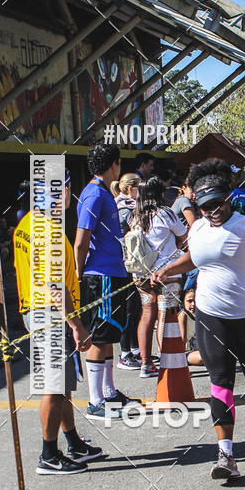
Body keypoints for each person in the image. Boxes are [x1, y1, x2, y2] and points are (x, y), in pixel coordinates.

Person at [153, 158, 245, 479]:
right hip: (211, 316)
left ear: (228, 198)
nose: (212, 211)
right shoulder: (198, 228)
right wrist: (167, 270)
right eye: (205, 207)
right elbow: (195, 257)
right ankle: (226, 455)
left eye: (217, 204)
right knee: (220, 381)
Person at [13, 170, 102, 474]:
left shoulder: (28, 224)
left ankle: (73, 442)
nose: (69, 195)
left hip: (39, 311)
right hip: (50, 314)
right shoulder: (47, 231)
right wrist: (77, 326)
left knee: (62, 385)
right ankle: (48, 455)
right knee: (54, 386)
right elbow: (55, 287)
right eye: (67, 188)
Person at [74, 143, 135, 422]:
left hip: (111, 272)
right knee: (99, 335)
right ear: (114, 164)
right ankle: (95, 400)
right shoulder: (94, 194)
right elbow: (81, 239)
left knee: (109, 333)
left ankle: (108, 392)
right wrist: (79, 273)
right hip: (101, 275)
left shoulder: (101, 192)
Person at [132, 177, 187, 377]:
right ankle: (168, 363)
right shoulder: (165, 213)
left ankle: (146, 363)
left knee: (147, 314)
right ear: (160, 193)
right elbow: (185, 237)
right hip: (167, 273)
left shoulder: (135, 217)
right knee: (166, 315)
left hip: (141, 274)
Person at [115, 173, 142, 371]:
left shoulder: (130, 206)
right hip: (126, 264)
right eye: (139, 187)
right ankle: (125, 353)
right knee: (129, 309)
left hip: (131, 263)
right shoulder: (124, 209)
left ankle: (135, 348)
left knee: (135, 308)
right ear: (130, 189)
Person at [178, 286, 203, 367]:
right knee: (202, 358)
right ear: (182, 303)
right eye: (189, 301)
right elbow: (182, 339)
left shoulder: (198, 314)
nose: (193, 304)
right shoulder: (183, 315)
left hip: (197, 349)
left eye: (196, 301)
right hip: (185, 352)